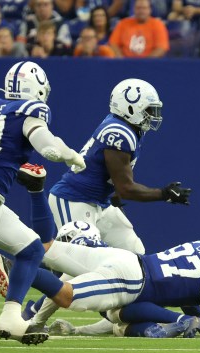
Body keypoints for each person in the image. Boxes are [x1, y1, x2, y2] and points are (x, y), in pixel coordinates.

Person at [0, 61, 86, 345]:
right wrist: (70, 154)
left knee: (31, 250)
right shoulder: (29, 111)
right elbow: (47, 145)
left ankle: (11, 318)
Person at [0, 230, 200, 339]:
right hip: (130, 281)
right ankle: (22, 272)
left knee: (49, 249)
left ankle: (17, 257)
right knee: (67, 296)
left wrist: (199, 324)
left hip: (126, 258)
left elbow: (189, 290)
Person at [48, 78, 190, 255]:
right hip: (75, 199)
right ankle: (34, 270)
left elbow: (110, 176)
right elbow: (126, 189)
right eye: (149, 110)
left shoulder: (128, 127)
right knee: (82, 262)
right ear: (130, 107)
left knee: (135, 253)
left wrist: (113, 196)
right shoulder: (119, 132)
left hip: (100, 202)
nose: (153, 116)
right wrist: (164, 194)